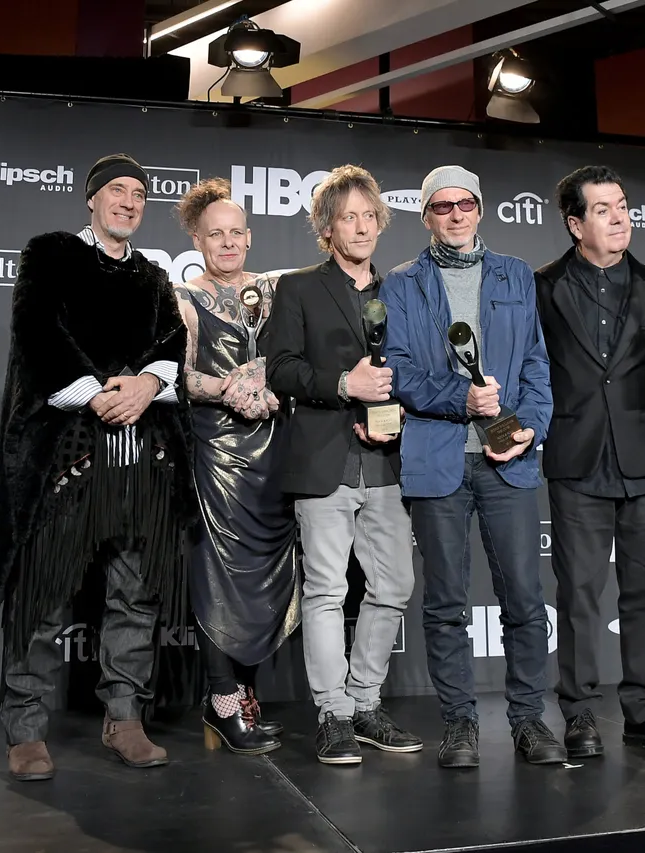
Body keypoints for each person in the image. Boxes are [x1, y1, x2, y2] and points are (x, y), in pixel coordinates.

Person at [0, 153, 196, 781]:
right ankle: (24, 727)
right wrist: (98, 392)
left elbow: (171, 348)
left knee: (136, 595)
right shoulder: (50, 255)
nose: (129, 202)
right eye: (118, 192)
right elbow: (38, 335)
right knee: (45, 591)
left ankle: (124, 718)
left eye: (139, 194)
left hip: (139, 461)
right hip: (66, 459)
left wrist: (146, 388)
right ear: (92, 199)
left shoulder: (154, 277)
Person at [380, 165, 566, 768]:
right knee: (445, 603)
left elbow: (537, 366)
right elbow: (399, 373)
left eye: (466, 204)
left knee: (524, 598)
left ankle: (529, 722)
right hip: (437, 460)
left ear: (480, 209)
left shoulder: (516, 274)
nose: (456, 215)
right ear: (426, 215)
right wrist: (459, 398)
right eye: (442, 206)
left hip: (506, 459)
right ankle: (459, 723)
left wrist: (529, 427)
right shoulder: (403, 283)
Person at [533, 164, 645, 757]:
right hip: (578, 458)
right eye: (602, 209)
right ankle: (579, 713)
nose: (619, 217)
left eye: (623, 205)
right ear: (576, 224)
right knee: (578, 594)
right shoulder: (542, 287)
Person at [261, 164, 423, 766]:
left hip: (387, 461)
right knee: (327, 591)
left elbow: (418, 369)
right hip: (323, 460)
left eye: (368, 215)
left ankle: (364, 701)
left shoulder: (403, 290)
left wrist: (402, 407)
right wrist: (341, 383)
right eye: (346, 217)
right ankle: (333, 714)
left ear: (381, 222)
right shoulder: (299, 287)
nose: (360, 226)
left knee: (395, 585)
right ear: (326, 229)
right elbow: (279, 369)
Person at [171, 177, 299, 756]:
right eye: (214, 234)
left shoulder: (276, 288)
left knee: (264, 580)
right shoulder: (184, 297)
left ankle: (243, 700)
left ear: (249, 237)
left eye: (236, 233)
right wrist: (228, 386)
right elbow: (175, 376)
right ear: (197, 240)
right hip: (218, 452)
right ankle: (223, 701)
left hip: (276, 451)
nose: (227, 243)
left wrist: (271, 378)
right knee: (219, 576)